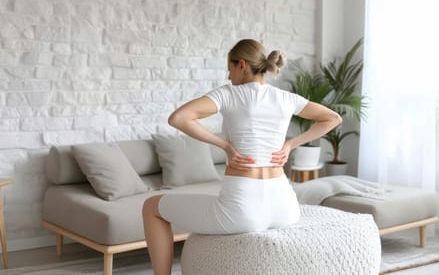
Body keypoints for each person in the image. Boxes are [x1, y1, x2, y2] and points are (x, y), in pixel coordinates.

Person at [142, 39, 342, 275]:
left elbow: (178, 118)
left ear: (242, 65)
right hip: (286, 208)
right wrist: (290, 144)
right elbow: (333, 118)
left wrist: (224, 145)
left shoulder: (229, 94)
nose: (228, 77)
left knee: (151, 207)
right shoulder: (285, 98)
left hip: (242, 212)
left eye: (230, 69)